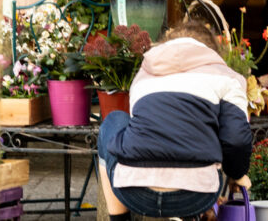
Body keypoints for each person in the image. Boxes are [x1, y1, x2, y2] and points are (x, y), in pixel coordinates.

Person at [96, 18, 253, 221]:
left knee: (114, 120)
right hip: (196, 195)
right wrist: (238, 174)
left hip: (135, 193)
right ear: (211, 51)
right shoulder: (228, 78)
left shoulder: (143, 76)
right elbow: (236, 139)